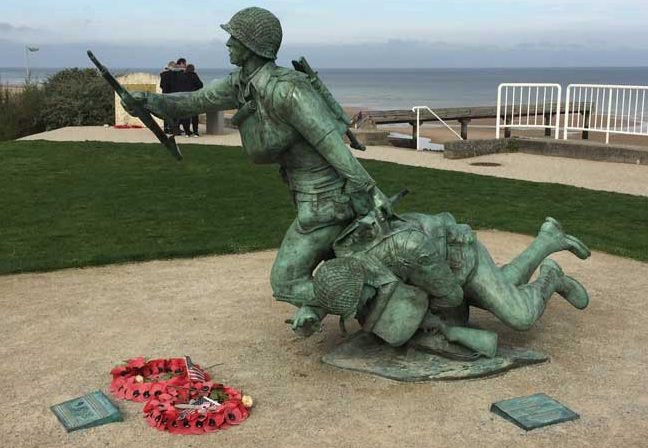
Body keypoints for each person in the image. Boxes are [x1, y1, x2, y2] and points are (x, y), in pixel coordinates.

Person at [125, 7, 394, 311]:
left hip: (327, 202)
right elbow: (195, 101)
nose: (227, 44)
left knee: (286, 282)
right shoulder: (241, 83)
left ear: (251, 46)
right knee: (315, 269)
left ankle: (377, 302)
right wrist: (148, 101)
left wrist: (371, 191)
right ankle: (357, 298)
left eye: (233, 38)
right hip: (309, 198)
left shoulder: (288, 90)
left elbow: (332, 145)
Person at [291, 210, 591, 355]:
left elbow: (452, 295)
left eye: (364, 302)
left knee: (519, 315)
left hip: (458, 259)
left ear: (365, 284)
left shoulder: (407, 249)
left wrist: (426, 321)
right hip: (429, 275)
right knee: (505, 285)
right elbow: (332, 284)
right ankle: (548, 239)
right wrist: (312, 311)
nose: (363, 309)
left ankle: (552, 276)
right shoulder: (347, 260)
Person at [184, 64, 204, 137]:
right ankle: (195, 132)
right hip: (193, 97)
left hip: (185, 97)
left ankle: (187, 132)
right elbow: (200, 85)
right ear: (193, 69)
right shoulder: (194, 75)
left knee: (186, 116)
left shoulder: (183, 76)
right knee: (194, 116)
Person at [159, 61, 177, 133]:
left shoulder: (163, 74)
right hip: (172, 95)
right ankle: (171, 128)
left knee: (165, 113)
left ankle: (166, 128)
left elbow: (161, 85)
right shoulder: (174, 75)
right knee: (172, 113)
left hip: (164, 95)